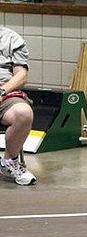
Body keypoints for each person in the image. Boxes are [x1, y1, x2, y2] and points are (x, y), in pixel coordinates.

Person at [0, 26, 36, 185]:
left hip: (4, 92)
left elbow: (21, 75)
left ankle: (9, 161)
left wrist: (1, 91)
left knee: (23, 113)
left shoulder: (11, 38)